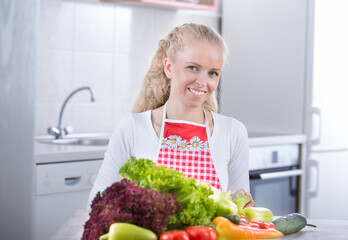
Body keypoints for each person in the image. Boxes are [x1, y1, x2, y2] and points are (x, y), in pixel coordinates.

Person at [88, 23, 254, 208]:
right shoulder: (132, 128)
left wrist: (241, 205)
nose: (202, 82)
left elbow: (235, 215)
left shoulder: (233, 132)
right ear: (168, 67)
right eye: (192, 68)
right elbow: (97, 201)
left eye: (213, 73)